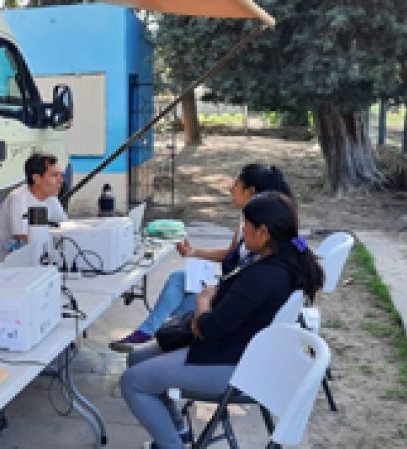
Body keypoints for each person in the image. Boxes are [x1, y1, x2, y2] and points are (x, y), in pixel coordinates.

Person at [120, 191, 324, 449]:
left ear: (263, 232)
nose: (242, 231)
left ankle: (171, 445)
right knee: (135, 359)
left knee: (133, 382)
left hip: (232, 364)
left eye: (245, 226)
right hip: (240, 349)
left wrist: (203, 301)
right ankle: (179, 430)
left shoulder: (263, 277)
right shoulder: (284, 262)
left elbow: (207, 328)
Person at [110, 164, 293, 352]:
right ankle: (150, 333)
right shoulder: (249, 224)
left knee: (180, 305)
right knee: (178, 279)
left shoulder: (264, 239)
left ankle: (157, 336)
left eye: (236, 185)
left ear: (251, 191)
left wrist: (209, 297)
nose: (231, 190)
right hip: (225, 288)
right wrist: (195, 252)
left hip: (228, 301)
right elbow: (232, 254)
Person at [0, 153, 68, 260]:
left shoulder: (51, 197)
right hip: (12, 262)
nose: (61, 180)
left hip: (42, 255)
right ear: (36, 178)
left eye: (60, 175)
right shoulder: (17, 199)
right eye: (54, 175)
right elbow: (22, 239)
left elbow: (64, 226)